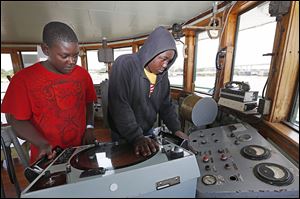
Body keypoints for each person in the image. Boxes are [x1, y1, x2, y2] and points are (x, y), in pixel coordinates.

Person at [1, 21, 97, 163]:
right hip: (48, 156)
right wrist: (42, 143)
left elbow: (88, 102)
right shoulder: (23, 80)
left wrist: (89, 126)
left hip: (80, 151)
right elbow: (15, 119)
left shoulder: (83, 74)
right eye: (64, 56)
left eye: (75, 55)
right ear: (46, 49)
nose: (72, 61)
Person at [108, 26, 188, 157]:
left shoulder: (162, 75)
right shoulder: (124, 64)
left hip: (147, 131)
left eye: (169, 61)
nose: (165, 65)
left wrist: (176, 130)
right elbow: (119, 106)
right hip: (123, 134)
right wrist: (136, 137)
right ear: (151, 51)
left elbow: (166, 106)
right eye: (163, 58)